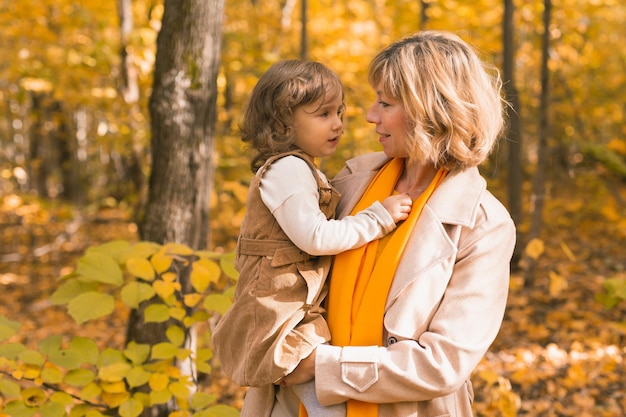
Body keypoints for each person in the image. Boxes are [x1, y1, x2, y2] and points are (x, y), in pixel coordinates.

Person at [269, 30, 517, 417]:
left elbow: (442, 364)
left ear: (431, 111)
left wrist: (319, 366)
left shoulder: (484, 225)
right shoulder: (350, 181)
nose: (370, 116)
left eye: (385, 103)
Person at [211, 60, 413, 417]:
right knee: (326, 404)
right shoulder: (287, 169)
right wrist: (378, 217)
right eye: (322, 114)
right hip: (279, 307)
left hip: (294, 305)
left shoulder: (304, 168)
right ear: (283, 122)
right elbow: (315, 238)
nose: (338, 123)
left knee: (324, 400)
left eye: (339, 112)